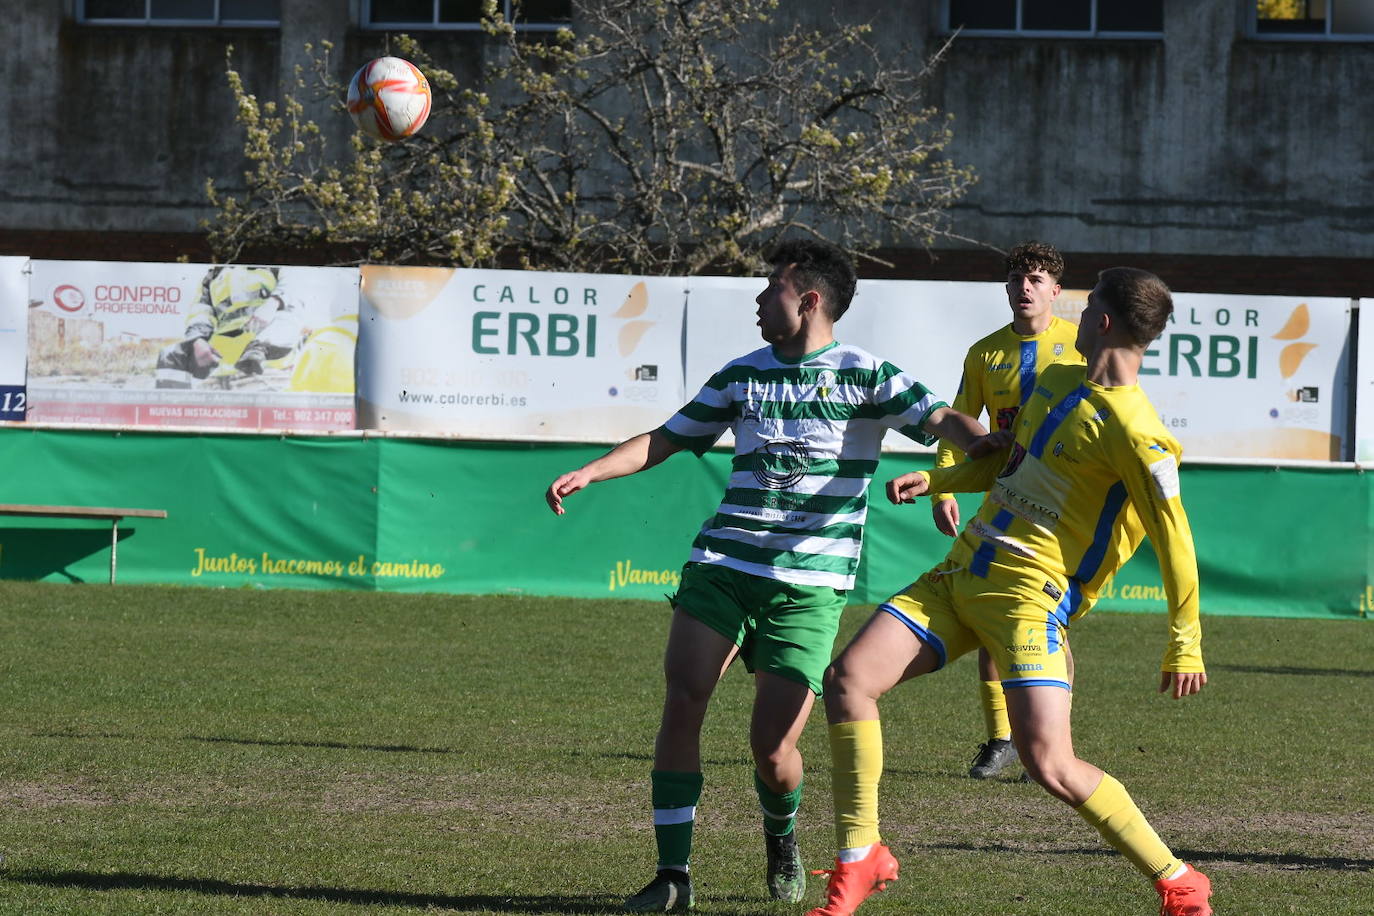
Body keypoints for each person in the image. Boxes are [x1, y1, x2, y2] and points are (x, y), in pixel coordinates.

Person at [544, 239, 996, 913]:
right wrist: (593, 470)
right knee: (683, 697)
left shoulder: (867, 375)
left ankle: (781, 836)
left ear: (809, 300)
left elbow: (940, 419)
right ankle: (673, 875)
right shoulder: (742, 374)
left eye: (771, 289)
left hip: (809, 589)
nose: (759, 301)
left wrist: (978, 445)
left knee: (772, 749)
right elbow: (668, 437)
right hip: (724, 566)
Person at [808, 267, 1212, 916]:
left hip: (1029, 602)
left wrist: (1184, 641)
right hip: (961, 574)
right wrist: (943, 481)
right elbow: (1010, 461)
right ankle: (861, 858)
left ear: (1103, 323)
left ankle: (1178, 881)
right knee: (848, 681)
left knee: (1052, 766)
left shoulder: (1140, 433)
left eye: (1085, 310)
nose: (1072, 319)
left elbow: (1176, 539)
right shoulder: (1055, 381)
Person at [930, 241, 1085, 780]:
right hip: (1002, 503)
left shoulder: (1079, 347)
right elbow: (957, 420)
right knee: (993, 614)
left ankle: (1050, 738)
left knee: (1048, 629)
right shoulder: (984, 353)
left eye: (1037, 279)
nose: (1026, 287)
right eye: (1018, 277)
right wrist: (943, 489)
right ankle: (1000, 738)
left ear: (1056, 292)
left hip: (1061, 507)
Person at [155, 265, 303, 388]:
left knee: (286, 322)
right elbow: (200, 309)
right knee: (170, 355)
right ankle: (168, 408)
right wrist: (197, 339)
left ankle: (256, 355)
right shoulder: (214, 275)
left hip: (266, 363)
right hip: (222, 358)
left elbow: (294, 285)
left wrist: (273, 302)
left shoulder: (278, 267)